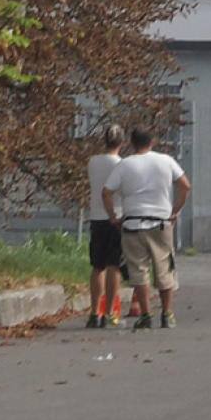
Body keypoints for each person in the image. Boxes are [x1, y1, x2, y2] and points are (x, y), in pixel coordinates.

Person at [111, 125, 190, 329]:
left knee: (139, 270)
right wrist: (176, 209)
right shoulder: (166, 161)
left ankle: (145, 314)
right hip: (161, 222)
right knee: (165, 268)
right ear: (152, 141)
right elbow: (185, 185)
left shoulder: (124, 165)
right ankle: (167, 314)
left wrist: (113, 216)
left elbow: (106, 191)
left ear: (131, 143)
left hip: (132, 223)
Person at [84, 121, 129, 329]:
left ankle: (94, 313)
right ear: (123, 142)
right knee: (114, 267)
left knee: (97, 266)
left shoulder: (93, 162)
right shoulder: (122, 164)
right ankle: (110, 312)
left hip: (96, 217)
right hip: (116, 217)